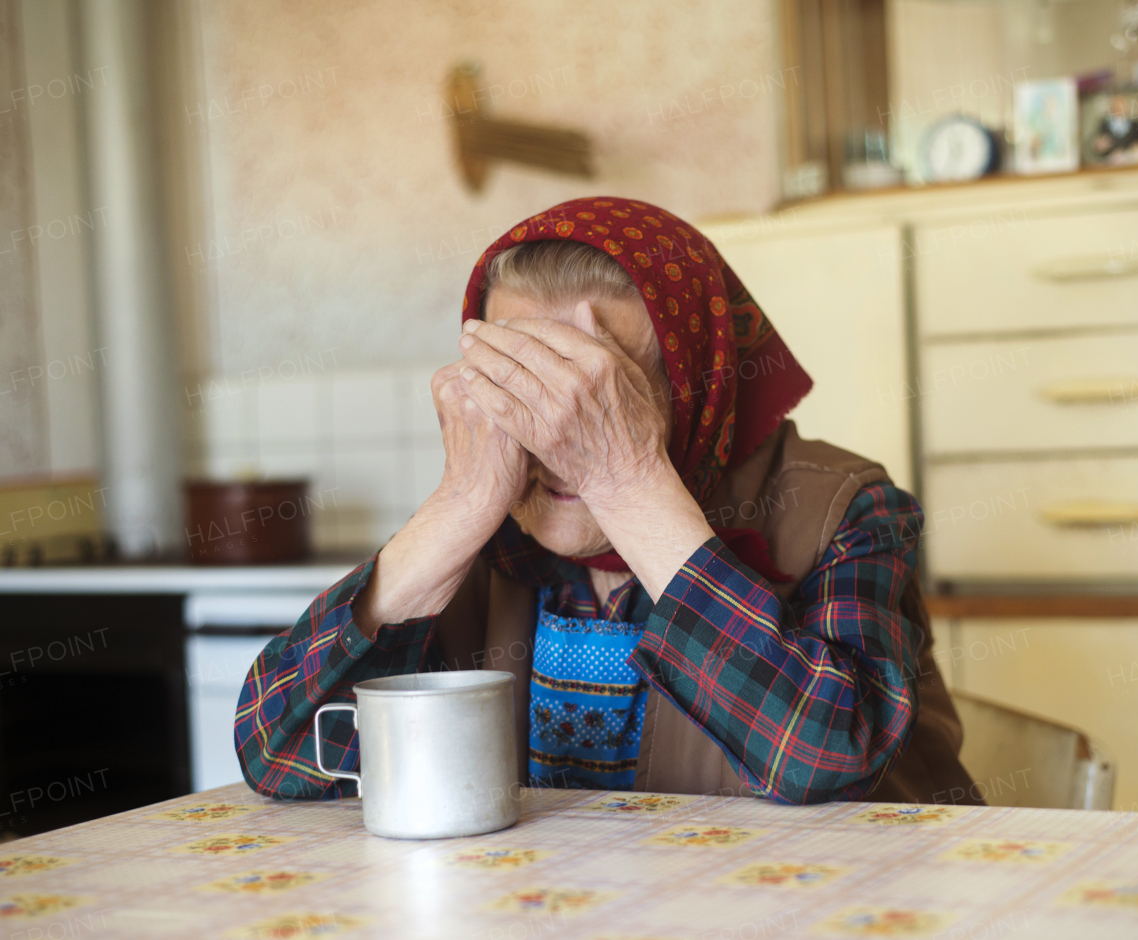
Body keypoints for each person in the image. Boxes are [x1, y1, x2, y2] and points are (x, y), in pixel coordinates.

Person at [235, 197, 979, 806]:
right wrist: (458, 505)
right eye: (526, 384)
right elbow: (278, 753)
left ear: (699, 393)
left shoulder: (850, 511)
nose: (558, 436)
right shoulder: (484, 529)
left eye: (596, 393)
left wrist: (626, 481)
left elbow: (827, 757)